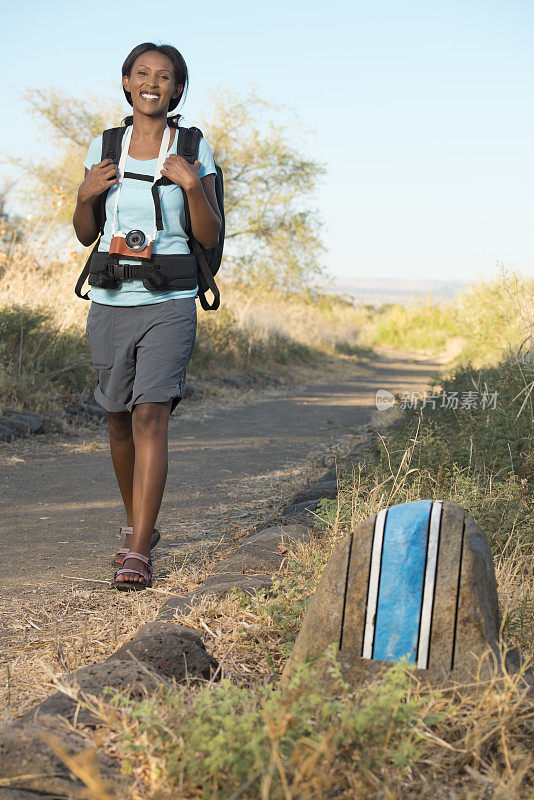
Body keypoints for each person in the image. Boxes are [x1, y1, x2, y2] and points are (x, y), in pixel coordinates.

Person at [73, 42, 222, 590]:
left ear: (178, 88)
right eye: (143, 74)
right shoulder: (105, 144)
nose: (153, 82)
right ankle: (137, 520)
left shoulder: (192, 147)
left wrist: (189, 185)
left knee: (149, 414)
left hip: (171, 301)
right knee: (116, 418)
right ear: (127, 84)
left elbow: (208, 235)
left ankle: (138, 549)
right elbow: (86, 231)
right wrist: (85, 194)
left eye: (165, 76)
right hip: (111, 299)